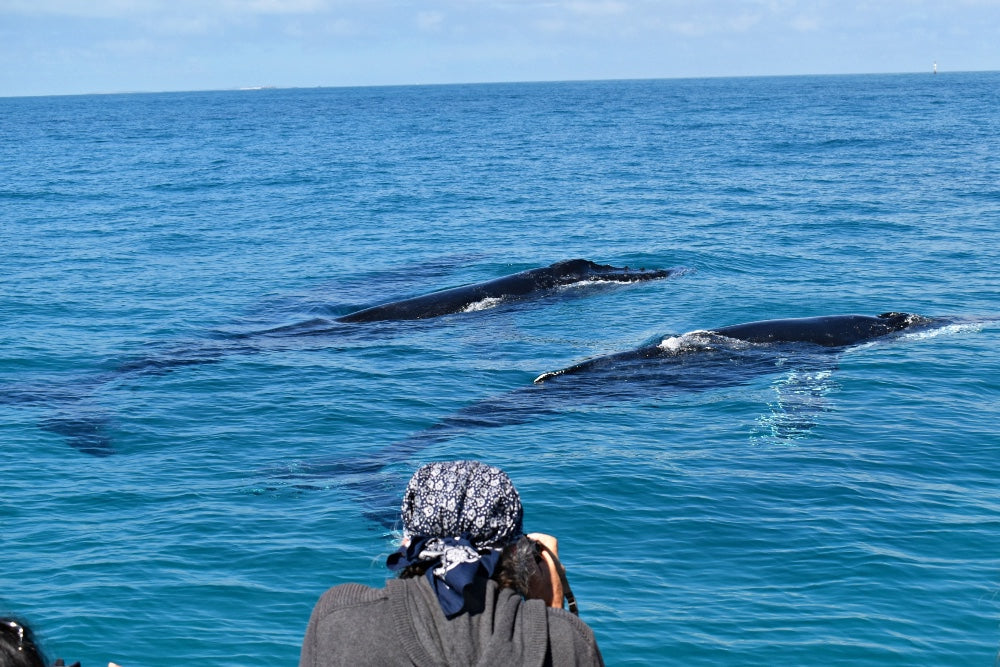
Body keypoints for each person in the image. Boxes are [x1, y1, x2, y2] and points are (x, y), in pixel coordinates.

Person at [299, 460, 604, 666]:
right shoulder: (570, 642)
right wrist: (551, 613)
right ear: (517, 551)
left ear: (407, 542)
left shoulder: (338, 618)